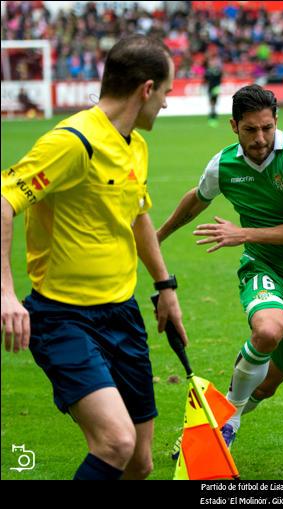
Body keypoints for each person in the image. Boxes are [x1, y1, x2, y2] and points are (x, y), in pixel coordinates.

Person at [0, 35, 187, 480]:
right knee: (115, 442)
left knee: (139, 463)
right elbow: (4, 201)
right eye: (166, 92)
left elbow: (137, 216)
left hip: (122, 315)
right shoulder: (72, 142)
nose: (165, 103)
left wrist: (165, 287)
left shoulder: (134, 145)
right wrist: (6, 293)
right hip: (65, 318)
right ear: (146, 89)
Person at [157, 84, 283, 451]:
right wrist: (157, 237)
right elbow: (196, 198)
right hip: (263, 267)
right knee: (267, 330)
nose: (261, 138)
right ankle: (227, 424)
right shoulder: (224, 164)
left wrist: (242, 232)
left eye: (267, 127)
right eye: (250, 129)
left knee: (265, 386)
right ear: (234, 126)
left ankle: (212, 425)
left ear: (276, 121)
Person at [204, 55, 223, 127]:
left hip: (215, 89)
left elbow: (220, 79)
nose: (211, 63)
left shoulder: (217, 71)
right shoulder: (207, 71)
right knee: (212, 104)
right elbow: (205, 80)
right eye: (210, 62)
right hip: (210, 89)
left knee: (213, 103)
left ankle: (213, 116)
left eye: (212, 62)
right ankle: (213, 116)